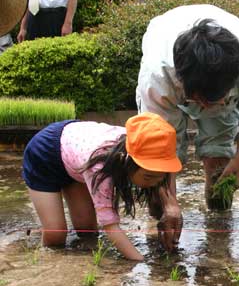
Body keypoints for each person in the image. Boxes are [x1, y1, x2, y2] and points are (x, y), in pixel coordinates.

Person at [136, 4, 239, 211]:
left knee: (219, 158)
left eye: (212, 100)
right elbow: (161, 147)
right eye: (199, 99)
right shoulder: (158, 74)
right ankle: (164, 223)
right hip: (168, 64)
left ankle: (219, 219)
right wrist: (170, 204)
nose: (204, 108)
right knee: (157, 170)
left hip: (220, 80)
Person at [22, 112, 183, 261]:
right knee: (55, 234)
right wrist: (140, 260)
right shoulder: (100, 167)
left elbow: (160, 176)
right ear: (127, 162)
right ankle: (41, 261)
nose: (155, 183)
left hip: (75, 158)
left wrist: (170, 208)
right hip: (44, 156)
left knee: (87, 229)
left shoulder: (154, 149)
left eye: (160, 177)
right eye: (149, 177)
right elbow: (110, 225)